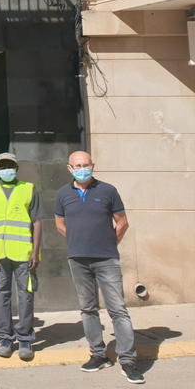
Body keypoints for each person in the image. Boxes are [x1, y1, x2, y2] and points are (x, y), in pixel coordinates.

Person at [56, 151, 143, 384]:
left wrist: (107, 242)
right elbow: (59, 223)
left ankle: (128, 360)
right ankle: (97, 354)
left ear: (92, 165)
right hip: (78, 259)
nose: (82, 168)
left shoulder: (108, 191)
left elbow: (122, 222)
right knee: (88, 309)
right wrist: (76, 240)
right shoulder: (63, 194)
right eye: (77, 165)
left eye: (86, 164)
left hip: (107, 260)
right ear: (69, 168)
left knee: (118, 309)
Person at [0, 153, 47, 361]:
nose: (5, 169)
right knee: (1, 295)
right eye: (2, 166)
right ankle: (5, 338)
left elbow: (37, 222)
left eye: (9, 166)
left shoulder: (28, 189)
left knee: (26, 295)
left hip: (24, 254)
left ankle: (25, 337)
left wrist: (35, 251)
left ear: (16, 168)